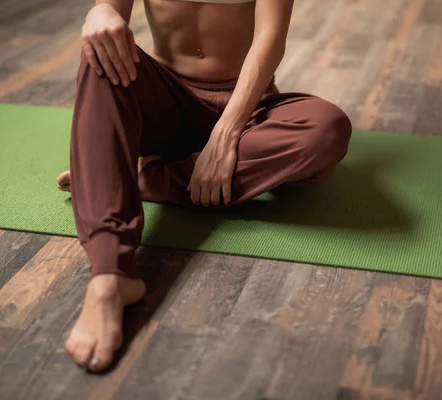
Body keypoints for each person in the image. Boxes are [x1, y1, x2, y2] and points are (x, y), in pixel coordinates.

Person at [56, 0, 352, 372]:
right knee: (98, 55)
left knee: (326, 130)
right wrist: (99, 14)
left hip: (247, 109)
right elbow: (109, 11)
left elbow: (270, 38)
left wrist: (227, 133)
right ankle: (109, 275)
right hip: (164, 103)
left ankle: (146, 180)